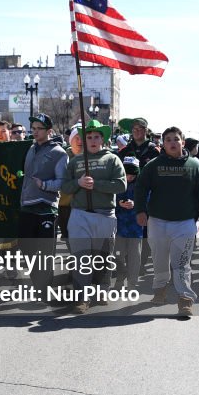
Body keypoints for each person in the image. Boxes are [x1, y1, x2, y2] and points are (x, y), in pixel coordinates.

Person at [134, 127, 199, 317]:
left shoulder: (195, 165)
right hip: (158, 222)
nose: (172, 142)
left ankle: (185, 299)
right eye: (168, 139)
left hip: (184, 223)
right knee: (159, 259)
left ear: (182, 143)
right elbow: (141, 188)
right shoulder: (153, 165)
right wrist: (140, 210)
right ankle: (160, 289)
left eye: (176, 139)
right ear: (163, 143)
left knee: (182, 262)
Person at [61, 120, 126, 313]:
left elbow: (121, 185)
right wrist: (79, 182)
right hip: (80, 214)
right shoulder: (75, 161)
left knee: (103, 257)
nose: (92, 140)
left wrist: (96, 184)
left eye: (96, 136)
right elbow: (65, 187)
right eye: (88, 137)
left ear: (102, 139)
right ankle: (82, 297)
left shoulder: (112, 159)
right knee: (81, 258)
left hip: (105, 214)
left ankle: (101, 290)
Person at [19, 113, 68, 288]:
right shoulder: (31, 149)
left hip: (46, 207)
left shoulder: (59, 153)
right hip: (27, 206)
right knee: (27, 248)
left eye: (40, 128)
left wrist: (45, 185)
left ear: (49, 131)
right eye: (33, 129)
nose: (36, 132)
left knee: (45, 251)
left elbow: (62, 182)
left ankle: (44, 285)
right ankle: (38, 281)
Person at [114, 157, 144, 289]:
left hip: (136, 226)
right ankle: (120, 279)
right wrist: (118, 203)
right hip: (119, 226)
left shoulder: (142, 184)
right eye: (127, 173)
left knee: (134, 257)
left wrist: (135, 203)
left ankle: (132, 283)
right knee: (118, 254)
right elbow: (108, 199)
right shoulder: (116, 182)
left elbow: (148, 201)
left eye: (133, 174)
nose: (129, 176)